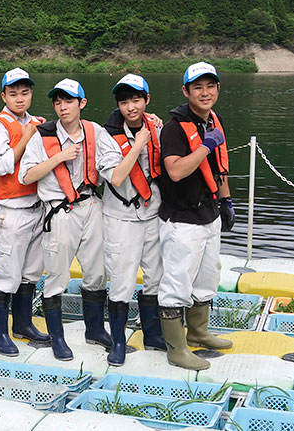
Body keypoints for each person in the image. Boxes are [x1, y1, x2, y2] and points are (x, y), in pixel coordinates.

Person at [20, 78, 131, 361]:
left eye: (68, 100)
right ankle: (57, 338)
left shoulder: (95, 130)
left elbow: (114, 161)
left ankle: (95, 330)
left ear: (81, 103)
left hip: (92, 205)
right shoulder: (43, 135)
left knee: (96, 272)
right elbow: (27, 175)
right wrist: (59, 157)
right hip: (59, 209)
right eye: (57, 101)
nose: (62, 107)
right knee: (57, 274)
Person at [157, 62, 234, 371]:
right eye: (198, 87)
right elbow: (175, 171)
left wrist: (227, 201)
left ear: (217, 89)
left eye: (210, 86)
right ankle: (177, 349)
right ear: (185, 91)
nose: (205, 92)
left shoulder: (215, 121)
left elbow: (220, 167)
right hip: (181, 219)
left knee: (207, 276)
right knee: (177, 282)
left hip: (209, 213)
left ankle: (199, 331)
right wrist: (205, 146)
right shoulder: (174, 128)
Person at [0, 68, 50, 356]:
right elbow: (3, 165)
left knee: (31, 271)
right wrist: (27, 135)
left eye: (24, 92)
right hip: (12, 209)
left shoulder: (36, 122)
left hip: (37, 206)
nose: (20, 98)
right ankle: (1, 333)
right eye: (13, 93)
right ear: (3, 96)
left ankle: (23, 324)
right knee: (6, 274)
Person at [101, 74, 166, 366]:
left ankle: (153, 334)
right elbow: (115, 176)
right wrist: (139, 143)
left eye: (136, 99)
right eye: (125, 101)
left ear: (147, 100)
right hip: (121, 218)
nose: (131, 107)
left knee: (156, 276)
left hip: (153, 213)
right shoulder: (108, 135)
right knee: (122, 279)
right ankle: (117, 341)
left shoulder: (157, 127)